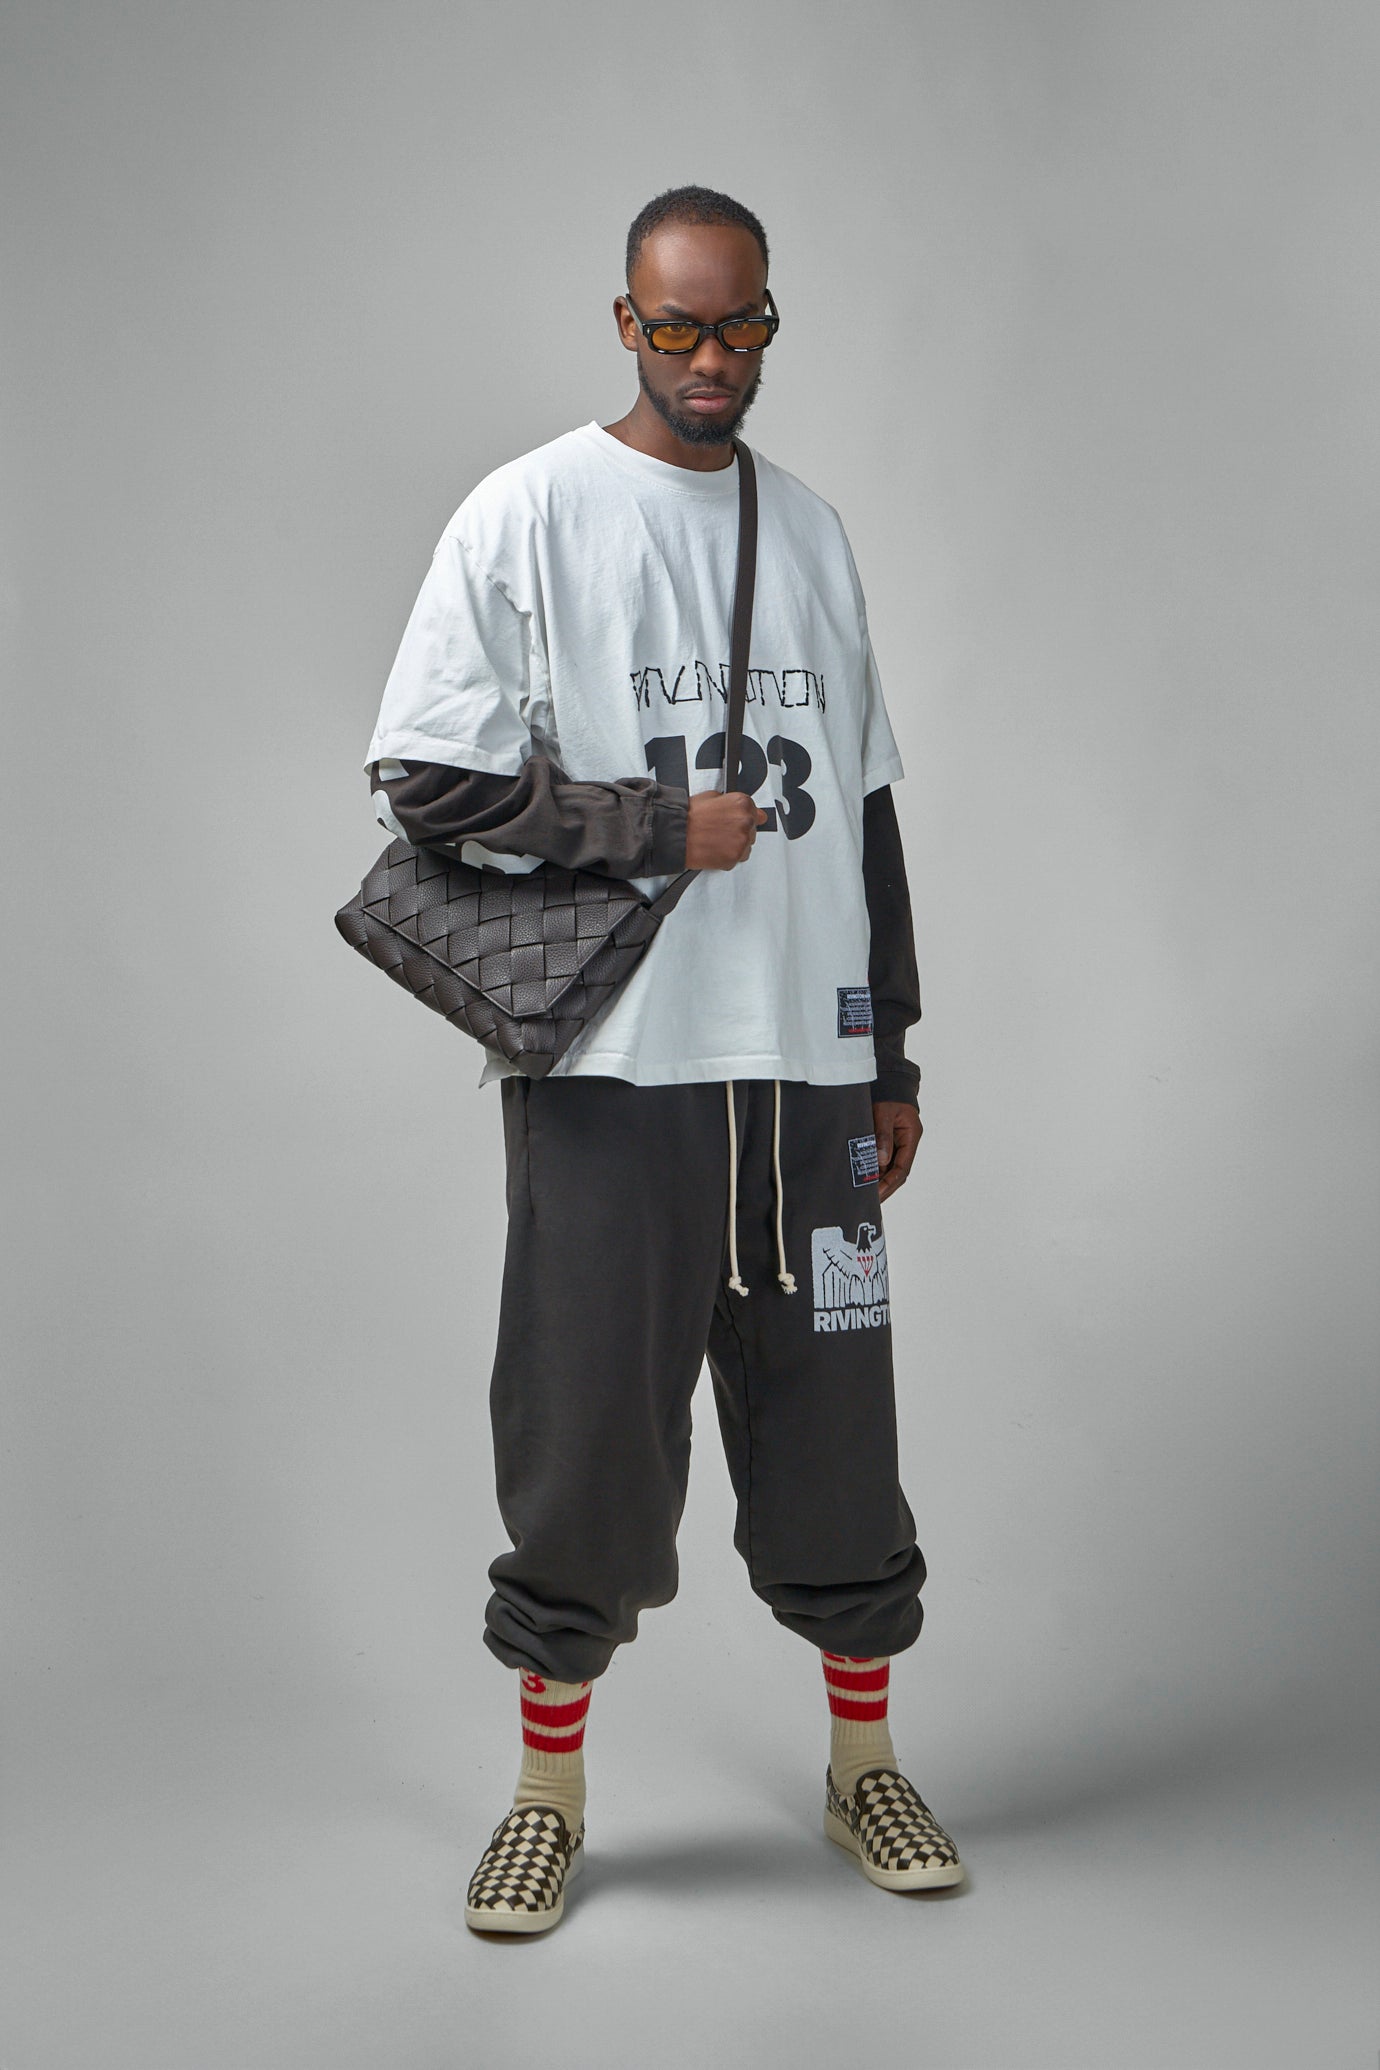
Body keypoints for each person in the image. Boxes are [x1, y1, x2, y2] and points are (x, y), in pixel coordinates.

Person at [361, 185, 964, 1933]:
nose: (712, 357)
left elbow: (865, 814)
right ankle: (546, 1797)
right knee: (587, 1445)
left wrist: (892, 1050)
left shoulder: (815, 530)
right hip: (618, 1067)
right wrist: (644, 825)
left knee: (838, 1435)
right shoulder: (532, 511)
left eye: (740, 324)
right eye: (678, 325)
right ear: (625, 322)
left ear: (770, 321)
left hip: (811, 1075)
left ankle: (863, 1766)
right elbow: (425, 773)